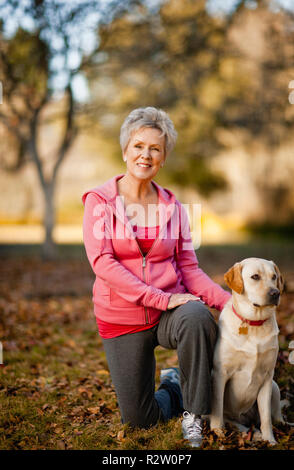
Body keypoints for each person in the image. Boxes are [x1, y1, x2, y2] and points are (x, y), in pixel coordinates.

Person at [82, 106, 231, 448]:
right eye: (138, 146)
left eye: (155, 149)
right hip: (122, 316)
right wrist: (160, 298)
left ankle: (195, 413)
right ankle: (175, 385)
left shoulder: (174, 207)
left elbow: (189, 268)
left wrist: (229, 303)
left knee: (195, 315)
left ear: (163, 158)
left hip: (169, 313)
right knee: (140, 421)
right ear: (125, 150)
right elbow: (102, 262)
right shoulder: (99, 202)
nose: (145, 155)